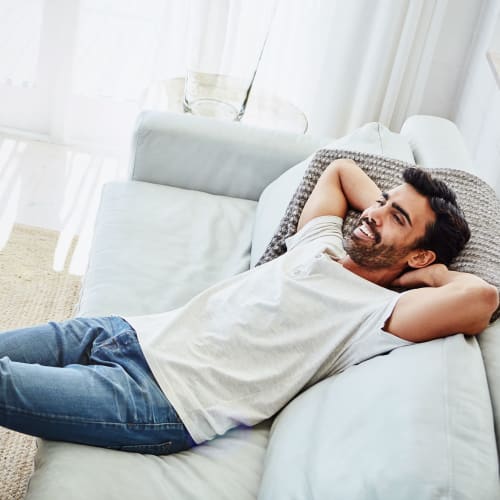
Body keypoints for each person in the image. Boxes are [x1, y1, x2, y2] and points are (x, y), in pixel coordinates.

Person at [0, 160, 497, 455]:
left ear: (421, 252)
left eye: (397, 218)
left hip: (157, 401)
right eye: (382, 201)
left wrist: (428, 274)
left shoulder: (376, 315)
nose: (372, 213)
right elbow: (340, 172)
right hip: (126, 333)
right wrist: (392, 216)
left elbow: (483, 298)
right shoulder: (319, 243)